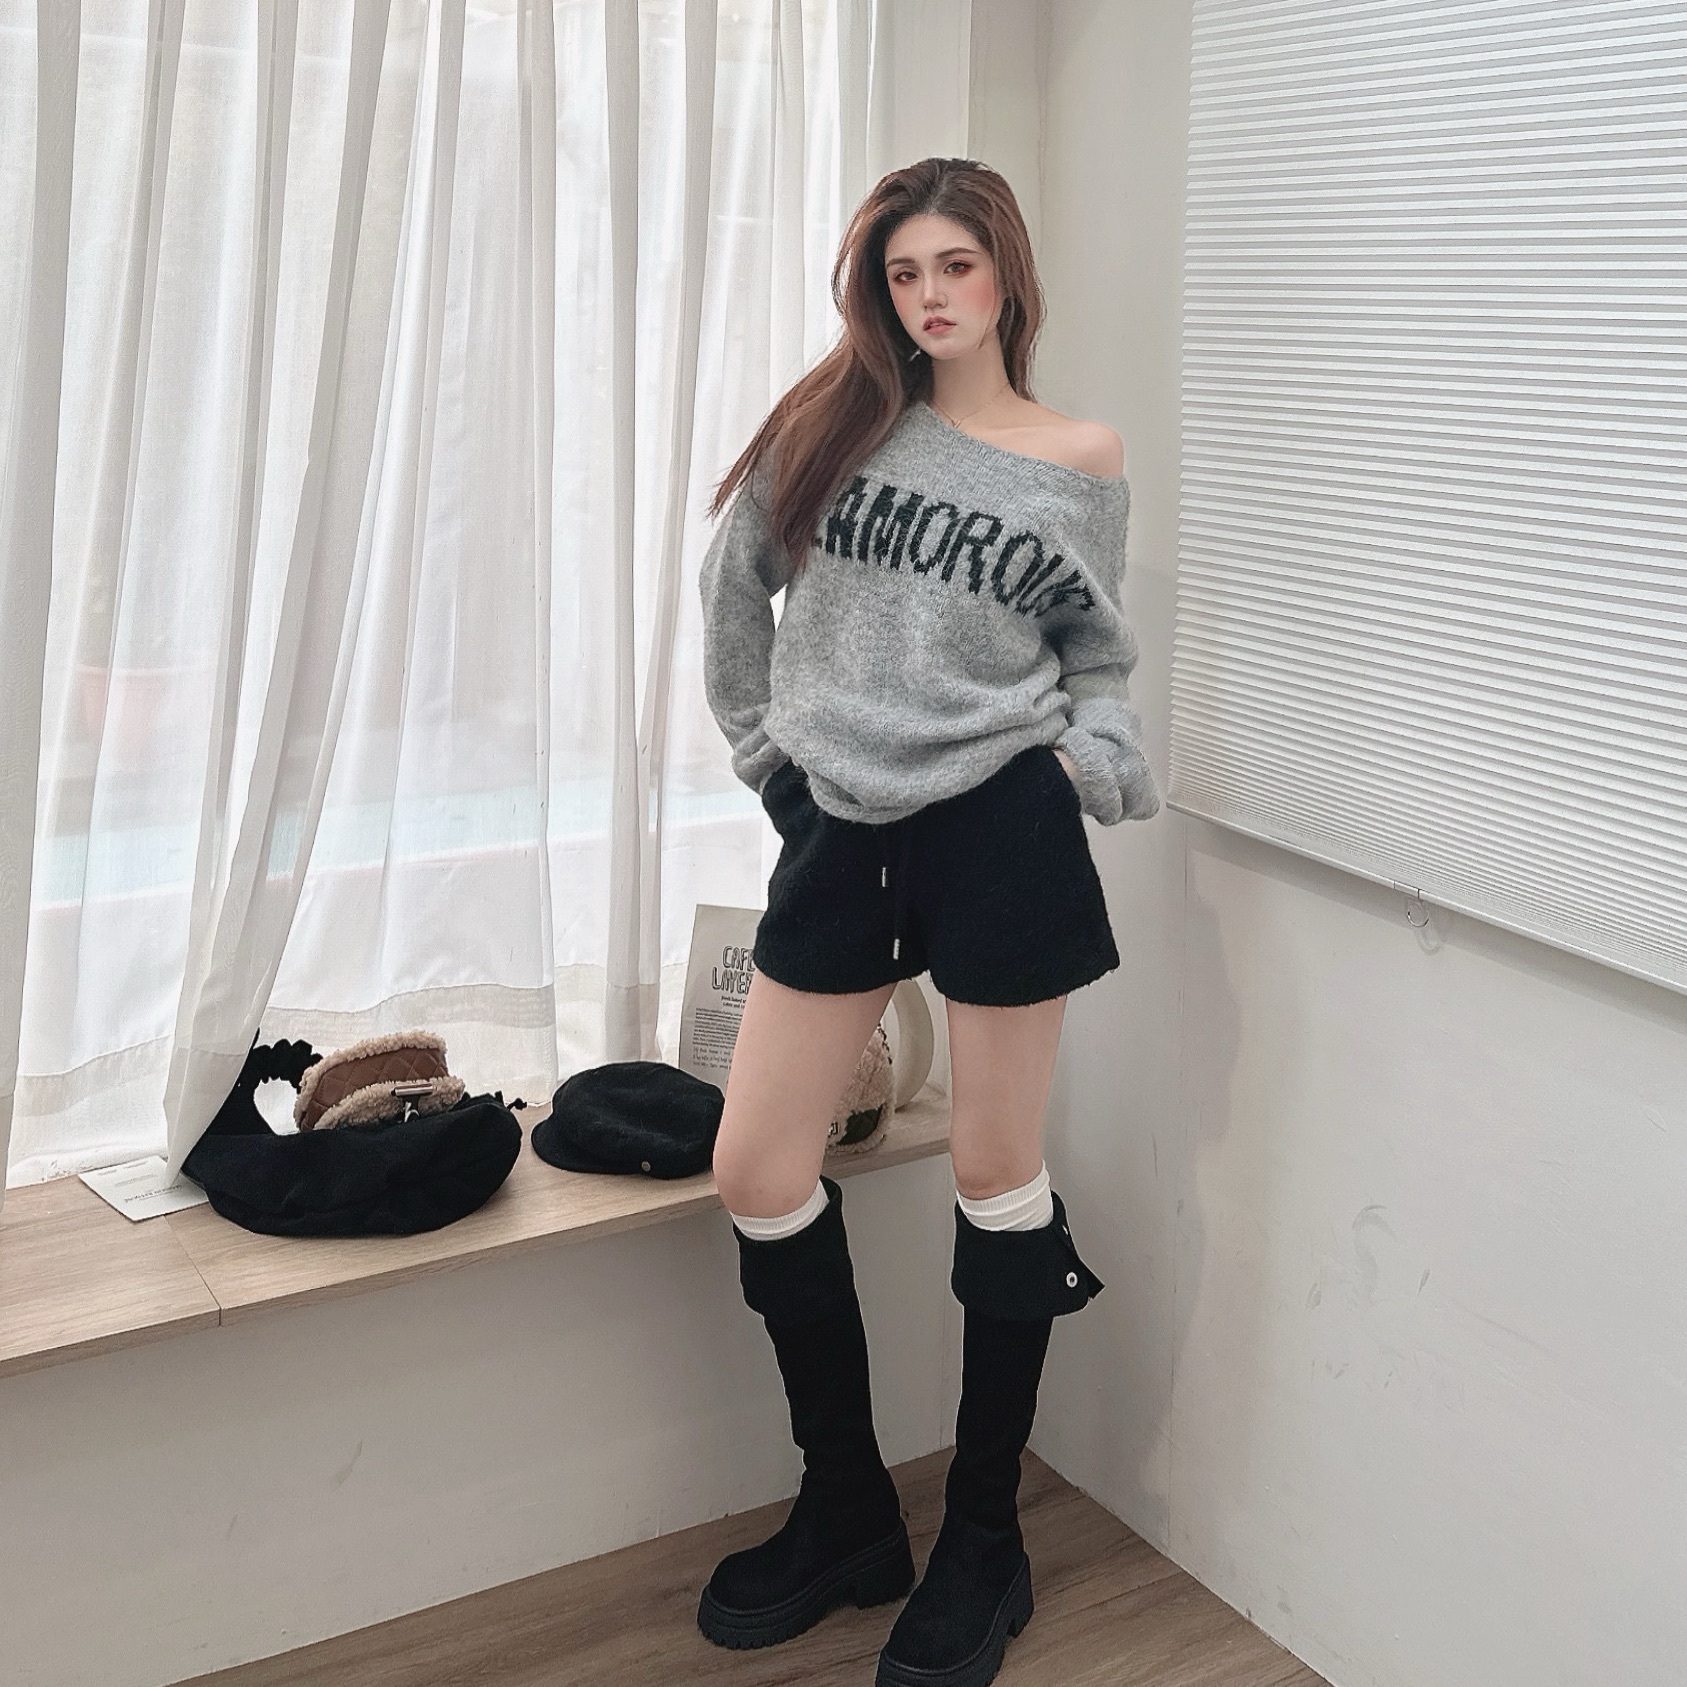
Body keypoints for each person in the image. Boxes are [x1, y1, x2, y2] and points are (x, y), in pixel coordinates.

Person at [693, 156, 1159, 1687]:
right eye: (903, 272)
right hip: (842, 821)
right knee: (758, 1165)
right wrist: (771, 765)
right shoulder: (831, 423)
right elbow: (731, 590)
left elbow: (1096, 655)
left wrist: (1083, 766)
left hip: (1003, 825)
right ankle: (847, 1509)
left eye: (954, 265)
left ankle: (981, 1538)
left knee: (992, 1164)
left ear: (1006, 274)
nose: (930, 294)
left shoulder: (1079, 456)